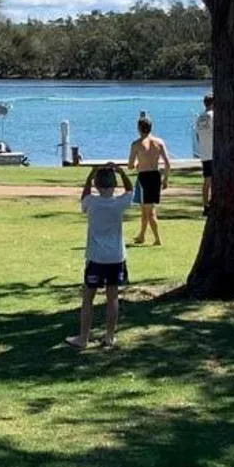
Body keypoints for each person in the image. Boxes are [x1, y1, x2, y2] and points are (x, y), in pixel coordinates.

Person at [74, 163, 133, 349]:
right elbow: (130, 189)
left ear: (96, 185)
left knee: (88, 298)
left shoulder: (92, 202)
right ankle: (109, 336)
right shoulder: (119, 203)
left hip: (96, 257)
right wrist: (122, 172)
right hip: (115, 257)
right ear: (114, 186)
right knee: (112, 297)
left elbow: (84, 196)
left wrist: (90, 174)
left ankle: (83, 338)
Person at [127, 116, 171, 246]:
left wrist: (136, 164)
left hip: (144, 178)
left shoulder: (136, 144)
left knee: (150, 210)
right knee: (145, 209)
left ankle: (157, 239)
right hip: (155, 176)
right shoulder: (159, 142)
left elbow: (130, 165)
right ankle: (141, 235)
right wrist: (165, 179)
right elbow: (167, 164)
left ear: (139, 129)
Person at [192, 95, 216, 211]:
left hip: (204, 152)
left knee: (207, 179)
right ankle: (212, 202)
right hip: (214, 152)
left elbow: (197, 135)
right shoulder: (213, 116)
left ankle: (206, 205)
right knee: (214, 180)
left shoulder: (199, 117)